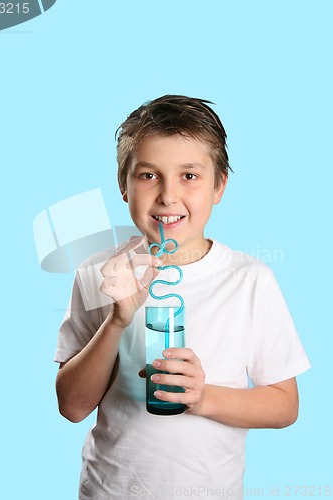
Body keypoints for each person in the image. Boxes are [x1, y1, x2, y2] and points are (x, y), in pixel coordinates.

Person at [54, 95, 311, 499]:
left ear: (218, 186)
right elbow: (72, 406)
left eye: (189, 176)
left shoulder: (250, 280)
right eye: (148, 175)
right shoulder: (98, 274)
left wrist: (203, 397)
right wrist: (116, 321)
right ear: (124, 184)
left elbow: (284, 406)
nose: (167, 196)